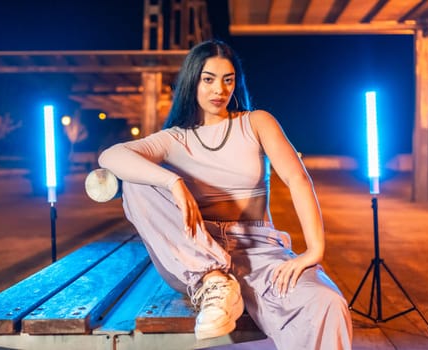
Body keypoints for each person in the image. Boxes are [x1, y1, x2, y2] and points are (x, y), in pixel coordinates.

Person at [98, 39, 352, 349]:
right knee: (136, 180)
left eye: (227, 80)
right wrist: (172, 182)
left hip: (259, 250)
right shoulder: (173, 139)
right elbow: (111, 156)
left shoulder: (256, 122)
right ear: (193, 80)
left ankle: (226, 285)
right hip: (193, 256)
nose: (219, 89)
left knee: (326, 302)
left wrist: (314, 251)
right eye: (208, 79)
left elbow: (297, 178)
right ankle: (215, 280)